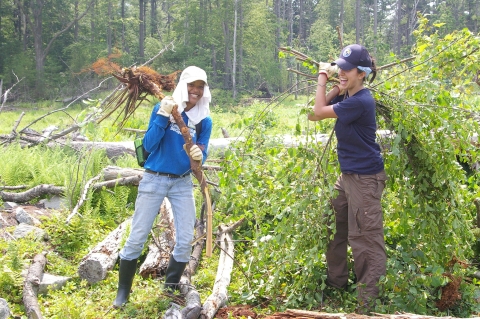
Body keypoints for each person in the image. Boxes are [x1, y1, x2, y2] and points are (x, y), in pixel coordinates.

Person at [113, 66, 213, 308]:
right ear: (183, 86)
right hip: (154, 178)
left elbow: (203, 153)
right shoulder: (164, 107)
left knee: (186, 237)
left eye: (201, 87)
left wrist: (199, 154)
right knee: (138, 235)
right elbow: (149, 143)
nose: (196, 91)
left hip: (181, 182)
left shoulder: (204, 121)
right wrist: (162, 117)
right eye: (192, 85)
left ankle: (169, 288)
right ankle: (123, 292)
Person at [308, 44, 387, 312]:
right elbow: (312, 115)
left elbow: (318, 111)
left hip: (365, 179)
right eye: (338, 66)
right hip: (347, 177)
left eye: (346, 69)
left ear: (362, 73)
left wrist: (322, 78)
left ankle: (367, 305)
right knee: (334, 226)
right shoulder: (347, 98)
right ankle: (337, 284)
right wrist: (338, 85)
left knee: (364, 239)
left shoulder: (361, 101)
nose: (340, 71)